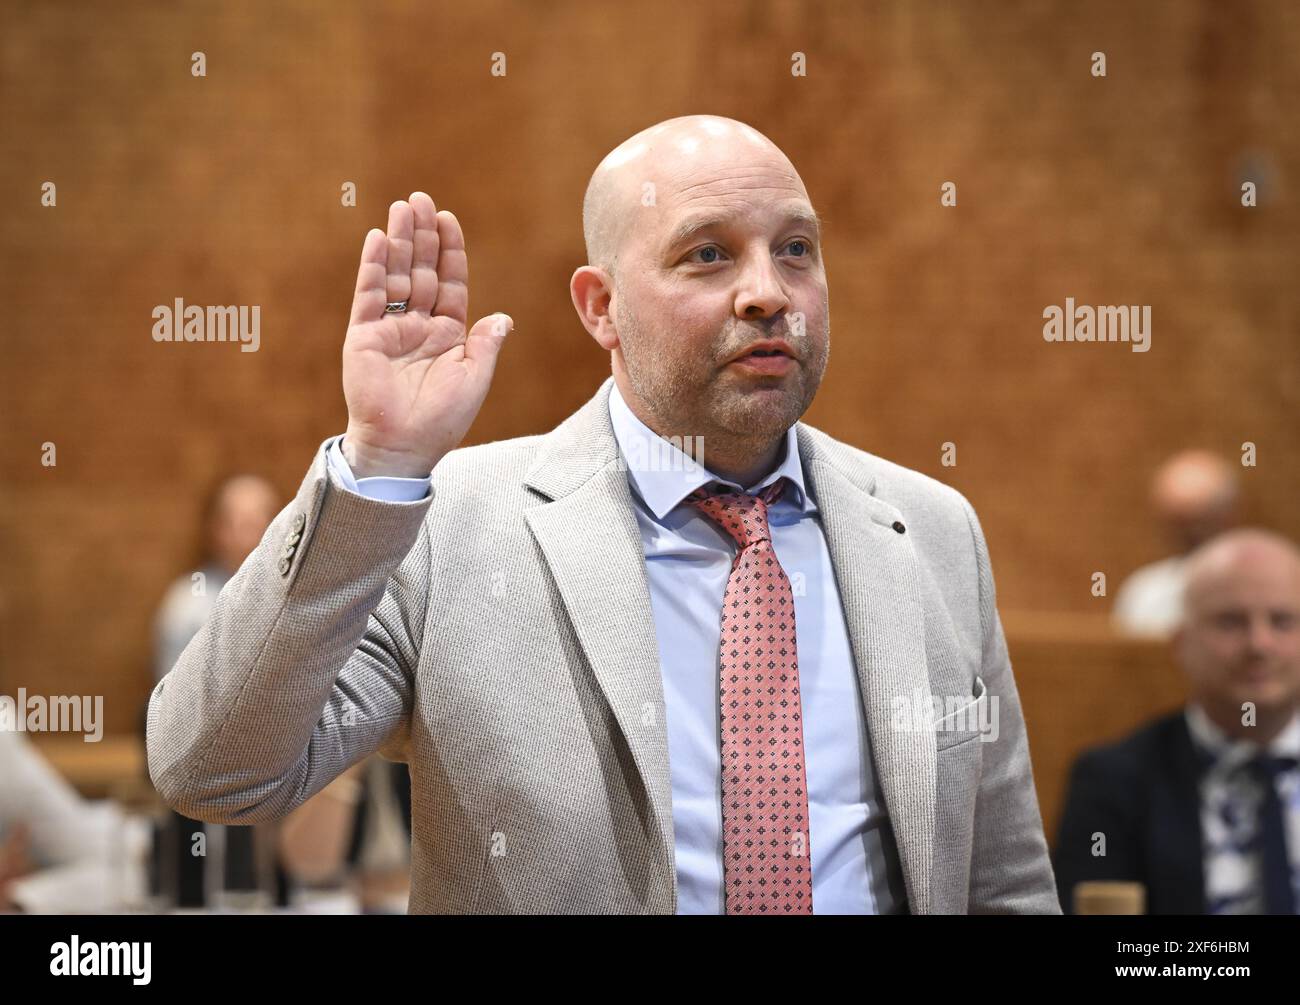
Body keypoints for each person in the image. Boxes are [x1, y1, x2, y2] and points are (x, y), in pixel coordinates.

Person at [147, 114, 1059, 914]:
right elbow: (214, 770)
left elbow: (1005, 881)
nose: (768, 292)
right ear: (601, 307)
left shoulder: (933, 531)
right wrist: (378, 468)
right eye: (708, 253)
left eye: (795, 249)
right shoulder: (448, 525)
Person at [1055, 528, 1300, 914]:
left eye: (1283, 621)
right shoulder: (1113, 782)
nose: (1259, 644)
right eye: (1231, 621)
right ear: (1181, 643)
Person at [1112, 450, 1241, 638]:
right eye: (1178, 525)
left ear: (1227, 518)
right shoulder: (1145, 593)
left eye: (1199, 522)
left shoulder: (1262, 588)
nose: (1189, 536)